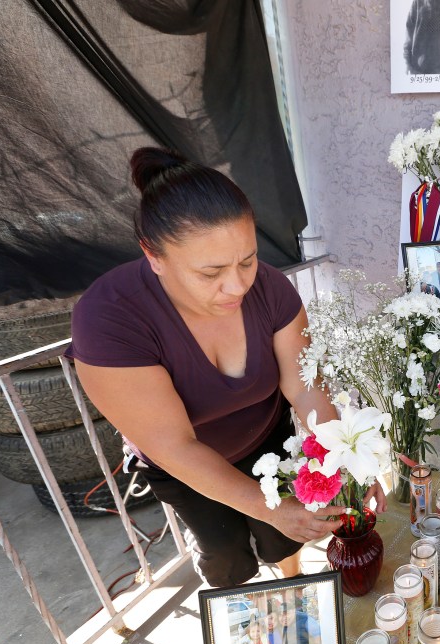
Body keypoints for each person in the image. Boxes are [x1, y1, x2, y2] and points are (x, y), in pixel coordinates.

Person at [66, 148, 386, 589]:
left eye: (247, 260)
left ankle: (290, 585)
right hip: (184, 462)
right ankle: (244, 613)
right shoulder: (109, 319)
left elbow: (307, 389)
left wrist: (349, 463)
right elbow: (175, 446)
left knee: (283, 539)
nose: (237, 285)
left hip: (265, 437)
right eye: (211, 272)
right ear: (153, 256)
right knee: (224, 554)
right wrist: (268, 505)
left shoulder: (269, 289)